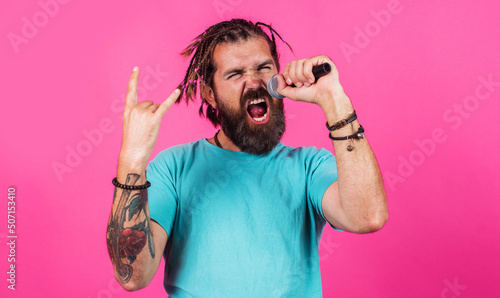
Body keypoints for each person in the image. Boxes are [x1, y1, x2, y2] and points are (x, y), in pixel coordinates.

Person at [106, 19, 388, 297]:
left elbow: (368, 217)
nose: (254, 82)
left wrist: (334, 100)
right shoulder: (173, 168)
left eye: (264, 68)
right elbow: (133, 275)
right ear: (210, 95)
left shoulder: (310, 167)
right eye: (235, 74)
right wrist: (132, 157)